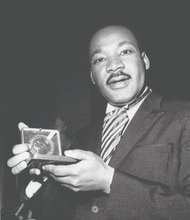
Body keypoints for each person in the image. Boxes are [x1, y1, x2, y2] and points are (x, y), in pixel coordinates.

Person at [7, 24, 190, 220]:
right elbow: (64, 213)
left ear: (144, 60)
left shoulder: (183, 116)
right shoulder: (83, 137)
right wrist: (43, 176)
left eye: (125, 51)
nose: (114, 65)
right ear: (93, 76)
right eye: (100, 59)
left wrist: (109, 181)